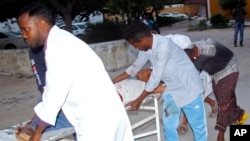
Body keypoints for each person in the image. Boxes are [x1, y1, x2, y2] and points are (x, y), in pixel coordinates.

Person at [17, 2, 134, 141]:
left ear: (41, 24)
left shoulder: (58, 47)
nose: (24, 35)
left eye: (26, 29)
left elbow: (54, 96)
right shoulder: (64, 39)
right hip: (110, 117)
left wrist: (37, 132)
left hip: (98, 124)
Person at [112, 19, 207, 141]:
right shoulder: (146, 48)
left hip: (190, 88)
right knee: (169, 125)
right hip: (172, 89)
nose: (136, 48)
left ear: (144, 40)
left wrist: (138, 100)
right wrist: (111, 83)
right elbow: (135, 67)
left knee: (198, 128)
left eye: (135, 44)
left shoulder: (164, 45)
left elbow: (156, 77)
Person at [185, 38, 249, 141]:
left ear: (195, 56)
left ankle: (221, 135)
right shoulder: (190, 49)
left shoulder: (208, 51)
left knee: (223, 104)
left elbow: (192, 74)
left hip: (230, 69)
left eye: (192, 61)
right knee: (225, 99)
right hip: (217, 73)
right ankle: (239, 114)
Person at [15, 46, 74, 141]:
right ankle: (33, 127)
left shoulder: (63, 49)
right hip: (56, 98)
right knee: (47, 106)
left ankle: (34, 128)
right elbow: (45, 93)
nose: (24, 36)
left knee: (67, 119)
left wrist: (36, 130)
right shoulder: (36, 52)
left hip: (75, 104)